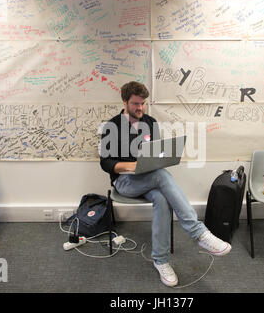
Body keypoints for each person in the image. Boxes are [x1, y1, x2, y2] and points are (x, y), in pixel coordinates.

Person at [99, 81, 231, 287]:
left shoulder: (150, 122)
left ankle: (161, 261)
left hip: (149, 179)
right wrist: (132, 166)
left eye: (143, 103)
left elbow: (155, 154)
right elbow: (105, 163)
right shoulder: (111, 126)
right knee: (161, 175)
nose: (140, 108)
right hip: (124, 182)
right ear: (124, 101)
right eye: (135, 103)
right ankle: (198, 232)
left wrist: (158, 160)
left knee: (162, 197)